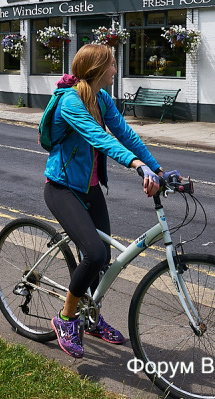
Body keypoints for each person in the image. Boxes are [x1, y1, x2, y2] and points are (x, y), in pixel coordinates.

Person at [43, 44, 178, 359]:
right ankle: (65, 319)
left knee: (103, 261)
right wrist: (136, 166)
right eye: (112, 65)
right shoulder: (69, 101)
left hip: (89, 190)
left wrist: (156, 168)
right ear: (97, 69)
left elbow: (126, 134)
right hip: (62, 189)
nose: (115, 71)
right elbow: (99, 137)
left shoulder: (101, 99)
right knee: (94, 252)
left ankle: (91, 320)